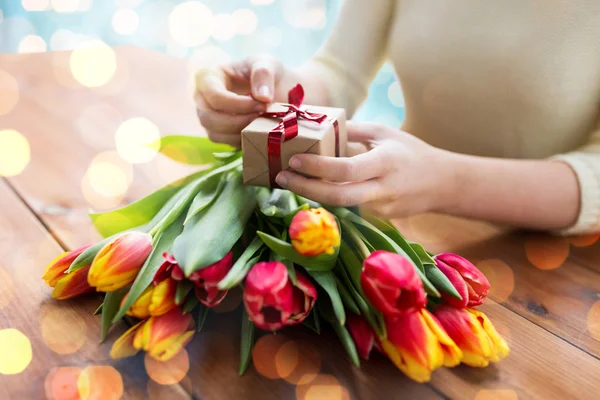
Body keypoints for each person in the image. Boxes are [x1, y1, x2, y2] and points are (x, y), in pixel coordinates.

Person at [194, 0, 600, 235]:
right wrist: (275, 93)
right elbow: (340, 71)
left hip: (542, 268)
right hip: (398, 230)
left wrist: (447, 183)